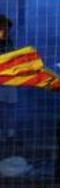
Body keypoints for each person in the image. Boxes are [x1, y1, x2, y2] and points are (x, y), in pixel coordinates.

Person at [0, 15, 17, 152]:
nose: (7, 31)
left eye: (8, 29)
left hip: (9, 79)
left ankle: (10, 134)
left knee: (10, 107)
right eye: (4, 28)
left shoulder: (9, 42)